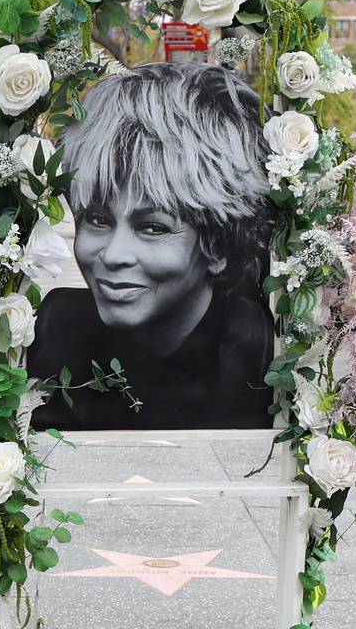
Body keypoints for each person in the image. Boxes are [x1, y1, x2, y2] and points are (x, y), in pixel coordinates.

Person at [27, 61, 275, 431]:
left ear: (219, 244)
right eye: (97, 219)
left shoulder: (246, 351)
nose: (113, 255)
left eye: (153, 228)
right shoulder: (55, 331)